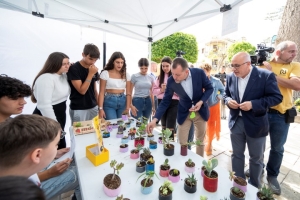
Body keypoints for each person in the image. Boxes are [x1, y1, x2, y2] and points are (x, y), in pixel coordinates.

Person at [0, 76, 81, 200]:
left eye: (23, 97)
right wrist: (48, 173)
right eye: (15, 97)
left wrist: (54, 153)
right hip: (22, 187)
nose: (23, 102)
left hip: (33, 173)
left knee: (75, 160)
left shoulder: (9, 122)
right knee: (79, 174)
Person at [245, 41, 300, 194]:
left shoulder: (294, 66)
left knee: (277, 148)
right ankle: (257, 168)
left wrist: (271, 74)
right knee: (258, 144)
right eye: (291, 51)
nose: (294, 54)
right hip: (262, 112)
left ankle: (272, 176)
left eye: (295, 51)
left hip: (281, 115)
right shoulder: (263, 64)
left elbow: (296, 85)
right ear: (278, 52)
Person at [224, 52, 282, 188]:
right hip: (236, 122)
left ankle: (254, 187)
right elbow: (226, 94)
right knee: (237, 155)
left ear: (248, 64)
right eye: (232, 65)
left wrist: (253, 104)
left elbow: (276, 97)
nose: (234, 69)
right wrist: (228, 101)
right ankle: (238, 184)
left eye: (237, 65)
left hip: (256, 124)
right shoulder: (231, 76)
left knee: (256, 159)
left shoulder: (265, 76)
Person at [146, 57, 213, 156]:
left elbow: (209, 88)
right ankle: (183, 163)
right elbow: (165, 101)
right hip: (184, 113)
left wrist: (201, 101)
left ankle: (199, 166)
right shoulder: (171, 80)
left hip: (200, 111)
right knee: (182, 141)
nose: (174, 77)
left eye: (177, 74)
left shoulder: (199, 73)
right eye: (173, 73)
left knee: (200, 141)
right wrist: (155, 119)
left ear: (186, 71)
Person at [32, 52, 70, 149]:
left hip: (61, 112)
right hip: (47, 115)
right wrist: (55, 124)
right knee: (51, 146)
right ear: (55, 64)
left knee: (60, 144)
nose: (67, 66)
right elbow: (44, 105)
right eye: (64, 64)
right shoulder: (46, 78)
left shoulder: (63, 76)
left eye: (68, 63)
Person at [67, 43, 100, 123]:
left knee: (94, 133)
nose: (93, 62)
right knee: (79, 133)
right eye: (90, 59)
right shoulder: (74, 68)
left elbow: (95, 89)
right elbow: (82, 91)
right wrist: (90, 74)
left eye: (95, 60)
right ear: (83, 54)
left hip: (93, 107)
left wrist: (99, 106)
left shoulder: (93, 69)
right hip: (79, 108)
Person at [98, 52, 131, 120]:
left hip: (123, 102)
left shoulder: (127, 75)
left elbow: (128, 93)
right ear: (113, 62)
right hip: (109, 102)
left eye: (122, 62)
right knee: (112, 126)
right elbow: (101, 93)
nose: (120, 64)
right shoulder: (105, 73)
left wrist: (127, 109)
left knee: (122, 125)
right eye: (117, 62)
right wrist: (100, 108)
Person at [200, 63, 224, 156]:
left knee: (211, 125)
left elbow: (223, 90)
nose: (203, 73)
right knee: (202, 125)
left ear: (209, 71)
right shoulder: (199, 81)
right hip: (202, 106)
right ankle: (204, 141)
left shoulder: (216, 81)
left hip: (213, 105)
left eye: (205, 71)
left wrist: (219, 96)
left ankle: (209, 143)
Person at [152, 56, 179, 139]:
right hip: (161, 102)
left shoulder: (177, 77)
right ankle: (164, 145)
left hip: (174, 103)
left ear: (171, 65)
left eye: (167, 66)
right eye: (163, 66)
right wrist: (161, 90)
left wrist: (170, 90)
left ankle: (169, 147)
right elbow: (153, 91)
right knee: (163, 125)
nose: (165, 68)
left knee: (170, 126)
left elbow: (181, 92)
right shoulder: (159, 77)